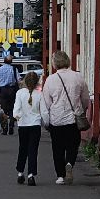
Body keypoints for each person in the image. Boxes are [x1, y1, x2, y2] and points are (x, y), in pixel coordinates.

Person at [40, 51, 90, 185]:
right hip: (73, 119)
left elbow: (46, 101)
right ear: (67, 61)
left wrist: (47, 119)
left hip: (56, 119)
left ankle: (60, 176)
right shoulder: (78, 77)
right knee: (73, 145)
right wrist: (82, 109)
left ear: (55, 63)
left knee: (57, 148)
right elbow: (85, 98)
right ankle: (69, 163)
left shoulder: (50, 79)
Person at [11, 70, 44, 185]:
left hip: (23, 125)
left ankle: (20, 172)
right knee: (33, 150)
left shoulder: (20, 93)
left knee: (23, 148)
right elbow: (43, 111)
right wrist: (47, 123)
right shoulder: (40, 94)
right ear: (37, 82)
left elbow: (16, 109)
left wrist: (17, 117)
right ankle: (31, 175)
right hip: (35, 125)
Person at [0, 53, 19, 135]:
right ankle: (11, 126)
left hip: (3, 90)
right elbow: (18, 80)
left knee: (3, 109)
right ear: (11, 61)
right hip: (12, 90)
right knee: (11, 109)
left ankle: (4, 128)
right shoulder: (14, 69)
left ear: (4, 61)